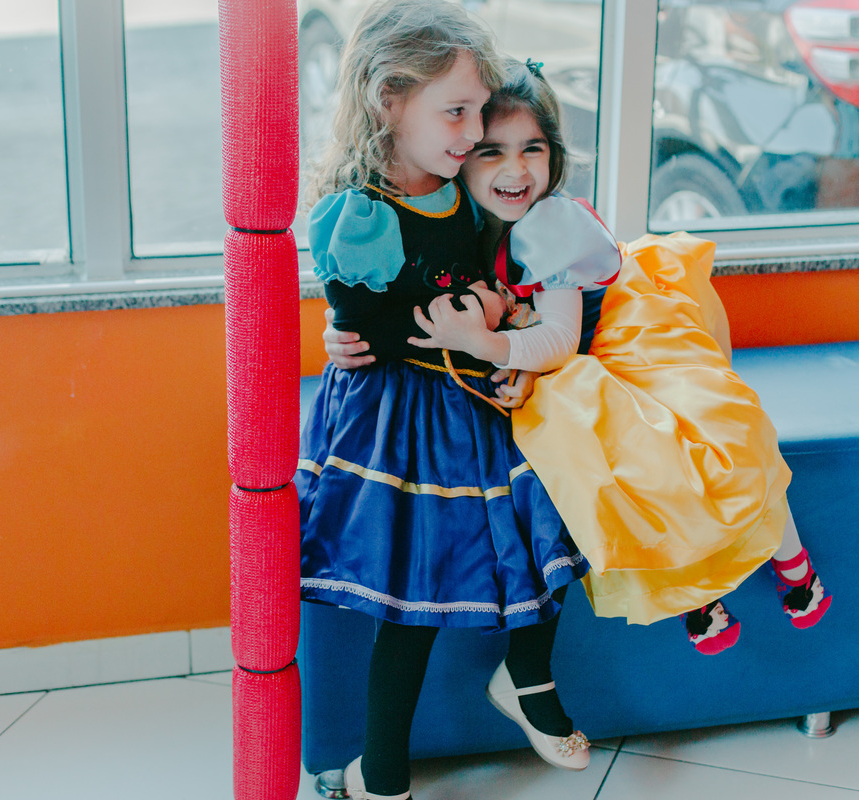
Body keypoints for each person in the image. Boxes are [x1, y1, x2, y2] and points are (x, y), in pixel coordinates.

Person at [327, 58, 832, 660]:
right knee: (602, 457)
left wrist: (489, 347)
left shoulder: (549, 226)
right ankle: (693, 592)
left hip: (626, 330)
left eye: (532, 149)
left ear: (554, 155)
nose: (515, 169)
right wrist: (345, 330)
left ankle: (793, 565)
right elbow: (415, 296)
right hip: (556, 350)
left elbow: (560, 338)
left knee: (713, 431)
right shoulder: (461, 212)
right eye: (491, 152)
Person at [297, 6, 591, 799]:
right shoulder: (359, 211)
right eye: (456, 112)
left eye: (478, 111)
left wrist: (505, 326)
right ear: (388, 100)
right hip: (397, 422)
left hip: (470, 398)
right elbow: (373, 328)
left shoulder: (464, 184)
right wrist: (480, 315)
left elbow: (504, 274)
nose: (474, 132)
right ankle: (381, 775)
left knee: (553, 517)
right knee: (412, 599)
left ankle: (527, 678)